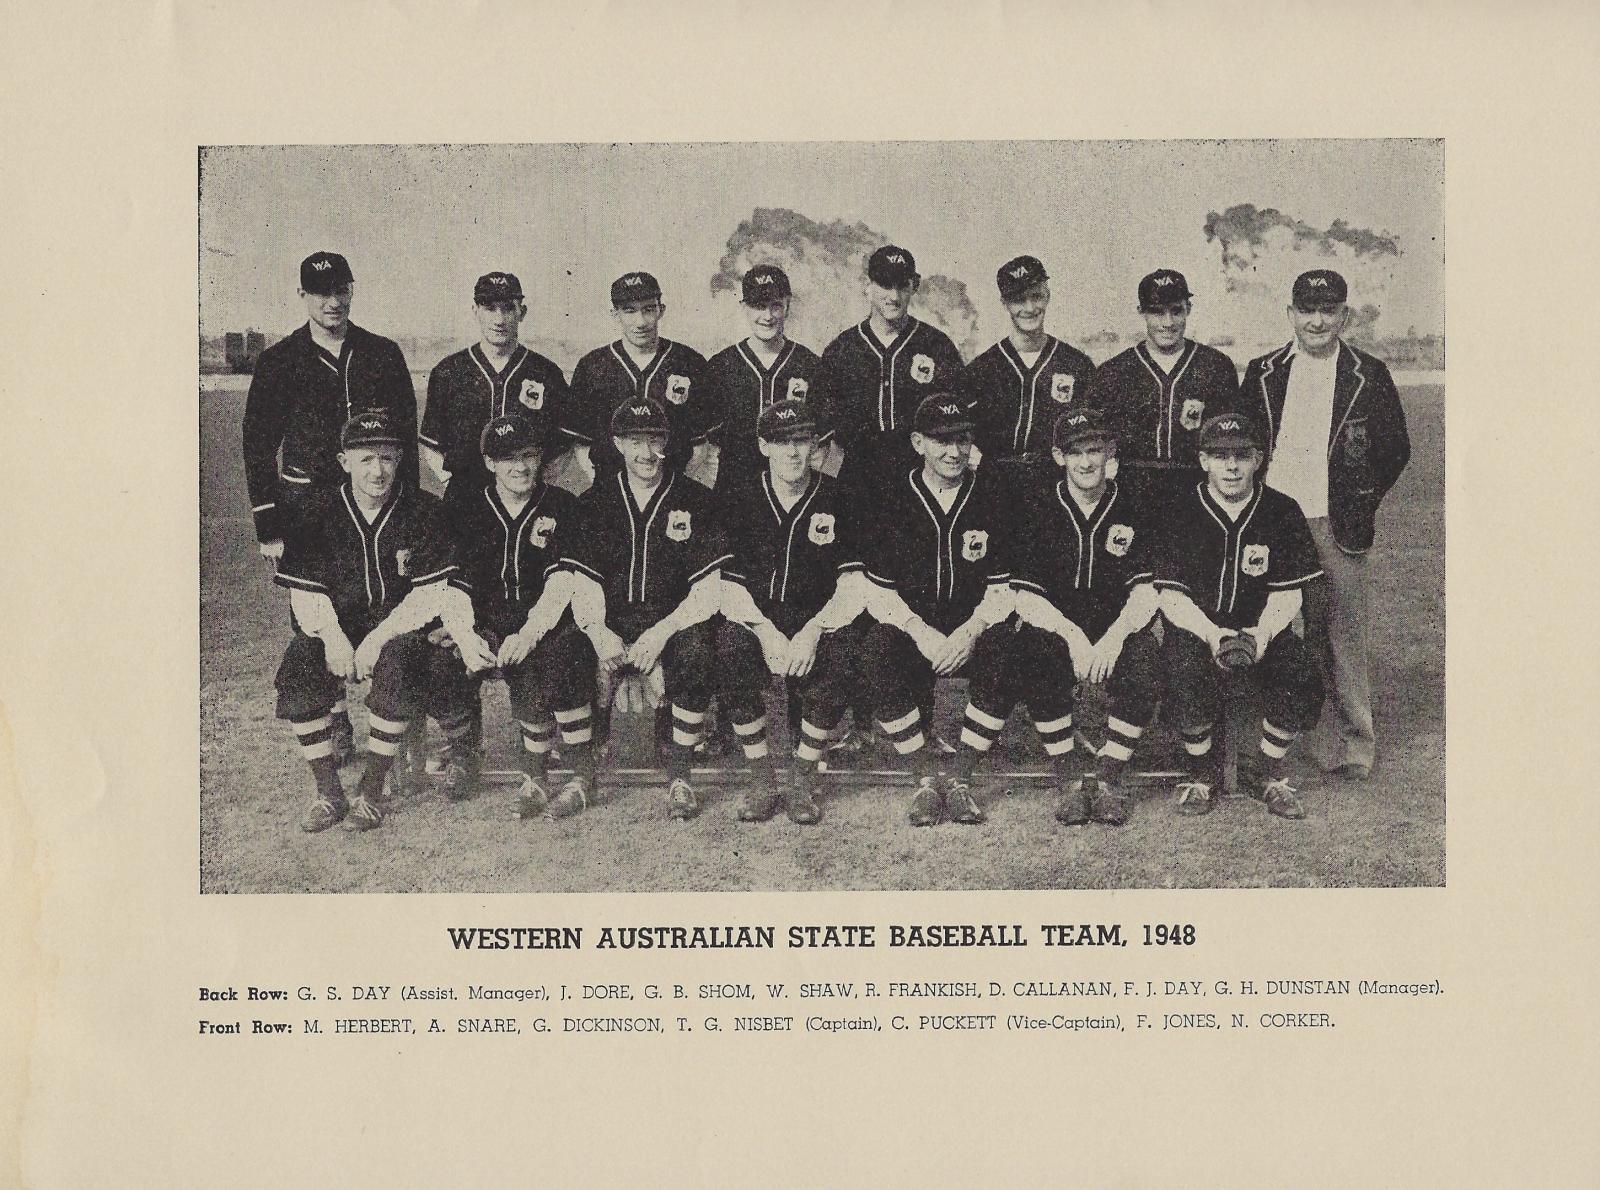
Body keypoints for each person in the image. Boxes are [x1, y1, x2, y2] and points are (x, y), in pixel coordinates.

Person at [271, 411, 493, 833]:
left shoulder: (423, 510)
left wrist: (376, 638)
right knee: (301, 660)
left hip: (400, 627)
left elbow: (429, 593)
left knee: (399, 659)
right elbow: (306, 591)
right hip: (338, 625)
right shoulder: (316, 512)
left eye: (388, 458)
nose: (378, 470)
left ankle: (371, 791)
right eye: (367, 459)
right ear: (344, 462)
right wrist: (335, 639)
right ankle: (329, 792)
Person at [242, 251, 419, 758]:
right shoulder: (279, 360)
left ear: (351, 291)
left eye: (341, 290)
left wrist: (402, 507)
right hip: (307, 506)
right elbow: (258, 445)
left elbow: (403, 433)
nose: (333, 302)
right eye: (321, 293)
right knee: (315, 615)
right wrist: (268, 524)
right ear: (303, 298)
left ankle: (395, 719)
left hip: (374, 501)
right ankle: (334, 717)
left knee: (385, 601)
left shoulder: (381, 353)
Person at [1235, 269, 1410, 780]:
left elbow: (1395, 448)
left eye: (1328, 310)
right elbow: (1244, 443)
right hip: (1270, 523)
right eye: (1306, 310)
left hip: (1336, 524)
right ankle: (1265, 740)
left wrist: (1360, 499)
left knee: (1340, 637)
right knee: (1270, 629)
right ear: (1290, 314)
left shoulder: (1368, 373)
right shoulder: (1263, 371)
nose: (1317, 320)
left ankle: (1355, 744)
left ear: (1344, 316)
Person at [949, 409, 1161, 827]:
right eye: (1075, 452)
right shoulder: (1038, 507)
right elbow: (1025, 595)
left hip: (1111, 629)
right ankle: (1067, 778)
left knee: (1144, 657)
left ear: (1110, 453)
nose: (1086, 462)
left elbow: (1143, 592)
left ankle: (1105, 779)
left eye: (1095, 450)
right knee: (1031, 650)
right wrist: (1075, 639)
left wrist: (1112, 639)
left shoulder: (1133, 505)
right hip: (1056, 626)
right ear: (1058, 456)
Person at [557, 399, 731, 821]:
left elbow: (708, 591)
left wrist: (660, 635)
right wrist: (599, 633)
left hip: (670, 624)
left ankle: (680, 775)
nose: (646, 452)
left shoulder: (696, 499)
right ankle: (581, 776)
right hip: (612, 624)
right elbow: (585, 582)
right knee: (565, 649)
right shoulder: (595, 500)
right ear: (617, 444)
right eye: (635, 441)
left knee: (696, 649)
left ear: (668, 444)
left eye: (655, 440)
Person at [1153, 412, 1326, 819]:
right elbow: (1170, 595)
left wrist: (1261, 636)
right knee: (1178, 669)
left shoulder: (1281, 510)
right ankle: (1202, 772)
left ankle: (1262, 771)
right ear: (1203, 461)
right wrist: (1212, 634)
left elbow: (1288, 591)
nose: (1231, 466)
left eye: (1242, 455)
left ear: (1258, 459)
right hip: (1198, 627)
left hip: (1258, 626)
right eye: (1219, 455)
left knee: (1302, 670)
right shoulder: (1180, 510)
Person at [855, 393, 1014, 826]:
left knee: (1007, 643)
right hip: (915, 632)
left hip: (969, 630)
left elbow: (1004, 586)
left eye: (962, 439)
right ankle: (925, 775)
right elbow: (879, 591)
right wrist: (921, 633)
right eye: (941, 440)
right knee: (876, 646)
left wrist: (972, 630)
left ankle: (961, 778)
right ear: (918, 443)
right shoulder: (893, 498)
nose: (954, 451)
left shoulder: (992, 494)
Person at [714, 399, 871, 824]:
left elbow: (853, 583)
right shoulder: (739, 497)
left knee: (844, 649)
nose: (794, 453)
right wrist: (764, 630)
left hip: (816, 619)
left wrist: (814, 630)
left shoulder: (838, 497)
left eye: (802, 441)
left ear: (816, 447)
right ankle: (761, 775)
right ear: (764, 446)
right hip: (758, 617)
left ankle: (803, 775)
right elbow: (727, 584)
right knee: (728, 645)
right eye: (782, 442)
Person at [442, 412, 598, 821]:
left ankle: (579, 773)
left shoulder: (563, 505)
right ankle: (470, 756)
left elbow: (561, 582)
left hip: (547, 620)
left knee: (560, 652)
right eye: (508, 458)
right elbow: (455, 584)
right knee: (442, 655)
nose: (521, 467)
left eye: (529, 455)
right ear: (490, 463)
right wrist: (464, 635)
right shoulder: (468, 509)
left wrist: (529, 632)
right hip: (488, 624)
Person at [812, 244, 965, 501]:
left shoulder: (936, 345)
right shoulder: (842, 349)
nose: (894, 296)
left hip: (922, 480)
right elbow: (818, 426)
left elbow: (960, 415)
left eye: (902, 286)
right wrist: (839, 472)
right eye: (884, 285)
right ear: (867, 285)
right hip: (855, 480)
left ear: (914, 286)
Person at [1086, 269, 1240, 509]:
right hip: (1130, 492)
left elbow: (1230, 439)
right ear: (1142, 312)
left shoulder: (1215, 366)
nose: (1168, 323)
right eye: (1157, 312)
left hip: (1199, 493)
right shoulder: (1113, 371)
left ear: (1188, 308)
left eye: (1176, 311)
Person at [555, 271, 716, 485]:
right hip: (611, 487)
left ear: (661, 310)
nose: (640, 322)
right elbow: (583, 443)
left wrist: (677, 484)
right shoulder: (592, 365)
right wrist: (604, 484)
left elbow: (699, 443)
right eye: (629, 311)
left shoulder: (689, 361)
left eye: (648, 310)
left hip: (673, 485)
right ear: (615, 314)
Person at [419, 271, 570, 499]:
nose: (499, 319)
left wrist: (532, 485)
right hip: (466, 500)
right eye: (489, 308)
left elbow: (563, 445)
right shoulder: (449, 371)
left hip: (527, 498)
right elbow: (431, 442)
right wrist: (454, 482)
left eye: (508, 308)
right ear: (475, 311)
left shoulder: (546, 373)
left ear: (522, 312)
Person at [958, 255, 1095, 488]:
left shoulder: (1077, 364)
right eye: (1018, 300)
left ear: (1048, 296)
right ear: (1004, 303)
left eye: (1036, 296)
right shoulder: (982, 369)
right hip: (993, 486)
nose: (1029, 308)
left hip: (1057, 486)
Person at [703, 265, 820, 492]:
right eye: (758, 306)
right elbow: (709, 447)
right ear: (744, 307)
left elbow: (820, 447)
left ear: (787, 306)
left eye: (775, 306)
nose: (767, 316)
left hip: (792, 490)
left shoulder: (810, 364)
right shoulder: (721, 365)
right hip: (734, 490)